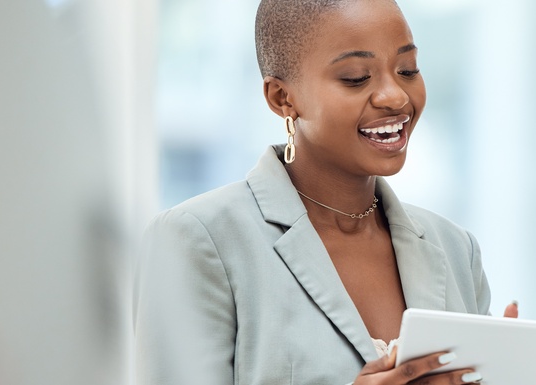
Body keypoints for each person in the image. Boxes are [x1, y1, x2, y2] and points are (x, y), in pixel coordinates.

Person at [135, 1, 490, 384]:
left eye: (408, 70)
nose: (395, 97)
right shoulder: (197, 240)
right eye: (356, 77)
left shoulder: (456, 249)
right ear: (282, 98)